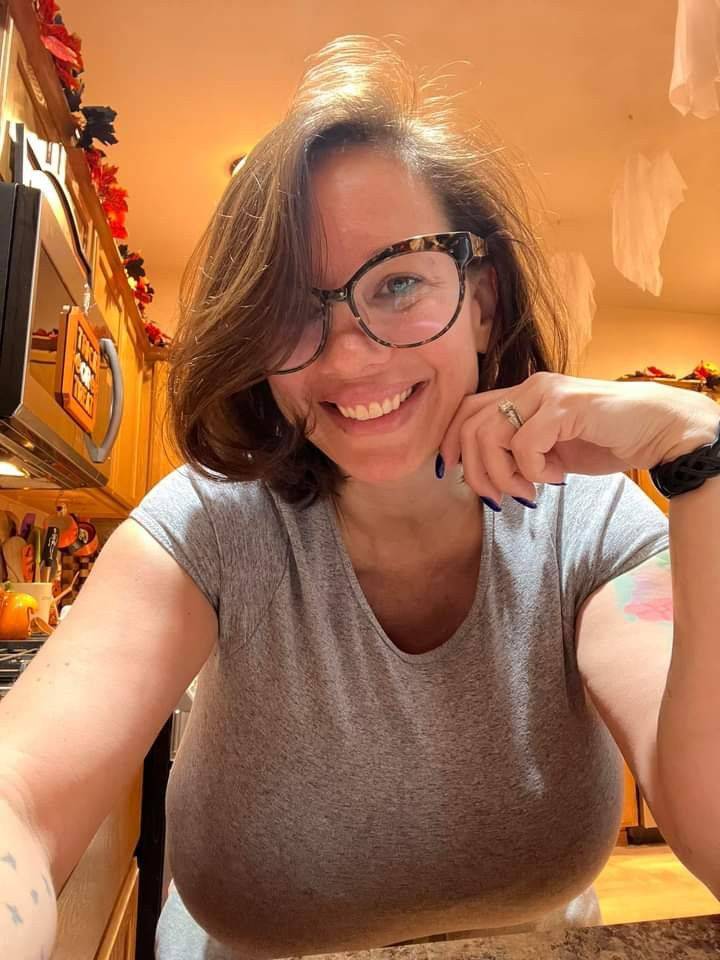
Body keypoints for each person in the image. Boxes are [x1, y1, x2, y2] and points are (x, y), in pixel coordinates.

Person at [2, 35, 720, 960]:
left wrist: (699, 448)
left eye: (401, 282)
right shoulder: (208, 526)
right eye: (290, 311)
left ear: (483, 302)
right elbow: (20, 793)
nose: (348, 357)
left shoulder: (589, 526)